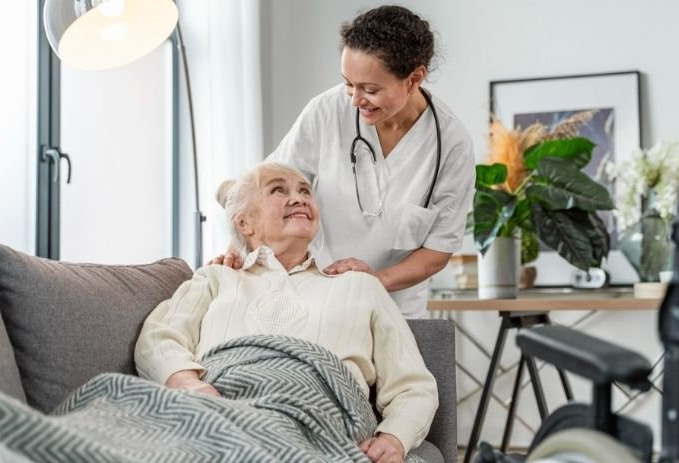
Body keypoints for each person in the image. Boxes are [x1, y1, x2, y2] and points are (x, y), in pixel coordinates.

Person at [135, 162, 439, 463]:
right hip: (219, 413)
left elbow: (413, 384)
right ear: (244, 223)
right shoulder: (216, 277)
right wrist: (189, 384)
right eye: (278, 190)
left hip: (325, 422)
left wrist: (394, 438)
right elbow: (159, 337)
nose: (299, 198)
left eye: (305, 191)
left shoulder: (360, 285)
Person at [212, 5, 475, 319]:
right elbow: (266, 188)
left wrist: (374, 281)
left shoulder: (451, 145)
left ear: (414, 78)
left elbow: (436, 252)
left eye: (370, 89)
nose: (354, 99)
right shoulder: (327, 111)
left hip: (395, 308)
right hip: (312, 296)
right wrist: (237, 250)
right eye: (349, 83)